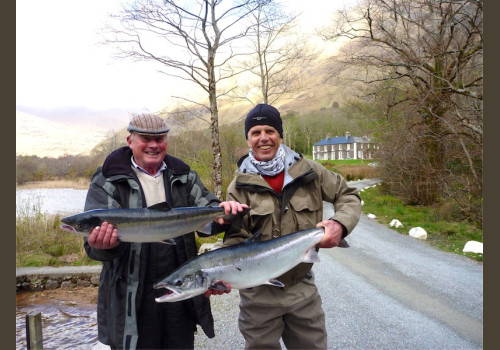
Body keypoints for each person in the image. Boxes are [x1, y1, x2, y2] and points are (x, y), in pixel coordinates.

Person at [83, 113, 246, 350]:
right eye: (145, 139)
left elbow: (209, 214)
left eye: (159, 139)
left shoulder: (184, 175)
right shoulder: (108, 179)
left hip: (180, 284)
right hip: (130, 296)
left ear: (166, 141)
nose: (153, 145)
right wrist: (105, 246)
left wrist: (225, 215)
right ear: (130, 141)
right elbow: (93, 246)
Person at [224, 103, 362, 349]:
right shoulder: (237, 187)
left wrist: (339, 224)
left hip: (302, 290)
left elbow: (348, 195)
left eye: (270, 131)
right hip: (258, 297)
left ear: (280, 135)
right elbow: (235, 241)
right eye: (256, 132)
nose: (263, 138)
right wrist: (224, 273)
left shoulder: (309, 171)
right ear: (248, 139)